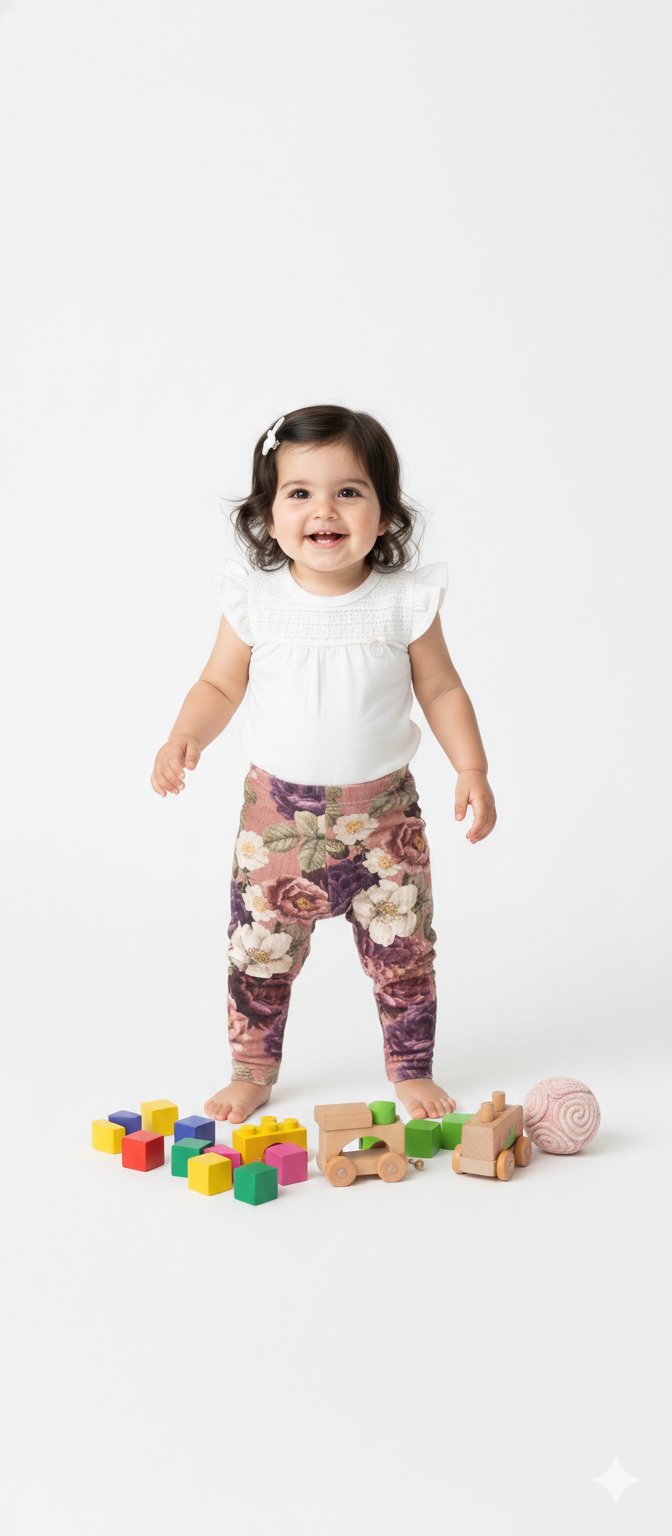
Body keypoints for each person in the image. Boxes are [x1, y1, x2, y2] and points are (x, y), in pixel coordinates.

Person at [151, 405, 496, 1124]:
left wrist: (471, 768)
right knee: (259, 949)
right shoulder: (256, 601)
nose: (324, 510)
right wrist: (186, 735)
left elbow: (440, 688)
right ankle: (252, 1068)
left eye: (349, 491)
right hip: (276, 821)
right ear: (268, 516)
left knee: (404, 951)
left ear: (385, 514)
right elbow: (219, 684)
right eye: (300, 492)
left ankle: (411, 1068)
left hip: (386, 820)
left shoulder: (404, 602)